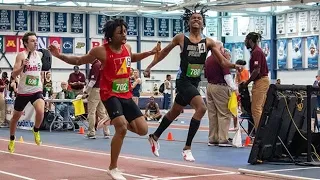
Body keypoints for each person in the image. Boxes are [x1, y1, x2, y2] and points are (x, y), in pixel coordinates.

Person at [48, 18, 158, 180]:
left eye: (125, 31)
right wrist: (58, 55)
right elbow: (78, 60)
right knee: (121, 128)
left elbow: (132, 57)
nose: (124, 34)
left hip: (126, 94)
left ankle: (113, 119)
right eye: (120, 32)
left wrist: (149, 53)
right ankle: (113, 167)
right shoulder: (101, 51)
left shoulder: (127, 47)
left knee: (143, 130)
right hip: (110, 94)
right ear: (111, 36)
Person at [143, 4, 241, 162]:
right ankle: (187, 148)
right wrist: (149, 67)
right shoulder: (181, 38)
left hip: (194, 82)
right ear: (188, 22)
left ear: (203, 23)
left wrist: (234, 65)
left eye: (199, 18)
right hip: (183, 81)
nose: (196, 20)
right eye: (193, 18)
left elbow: (222, 62)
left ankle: (154, 136)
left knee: (174, 112)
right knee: (201, 108)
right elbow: (163, 53)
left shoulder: (209, 42)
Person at [8, 32, 45, 153]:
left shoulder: (39, 54)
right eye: (32, 41)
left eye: (36, 40)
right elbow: (13, 74)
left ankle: (36, 130)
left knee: (40, 111)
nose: (35, 42)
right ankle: (12, 139)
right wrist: (22, 67)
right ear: (25, 43)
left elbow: (40, 72)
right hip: (23, 92)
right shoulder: (21, 55)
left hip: (36, 90)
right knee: (15, 118)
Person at [241, 32, 270, 130]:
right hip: (262, 81)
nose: (245, 42)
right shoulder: (256, 51)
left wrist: (247, 82)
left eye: (245, 40)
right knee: (260, 108)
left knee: (256, 109)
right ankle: (262, 131)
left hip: (261, 81)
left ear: (249, 40)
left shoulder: (256, 52)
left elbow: (256, 70)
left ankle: (259, 134)